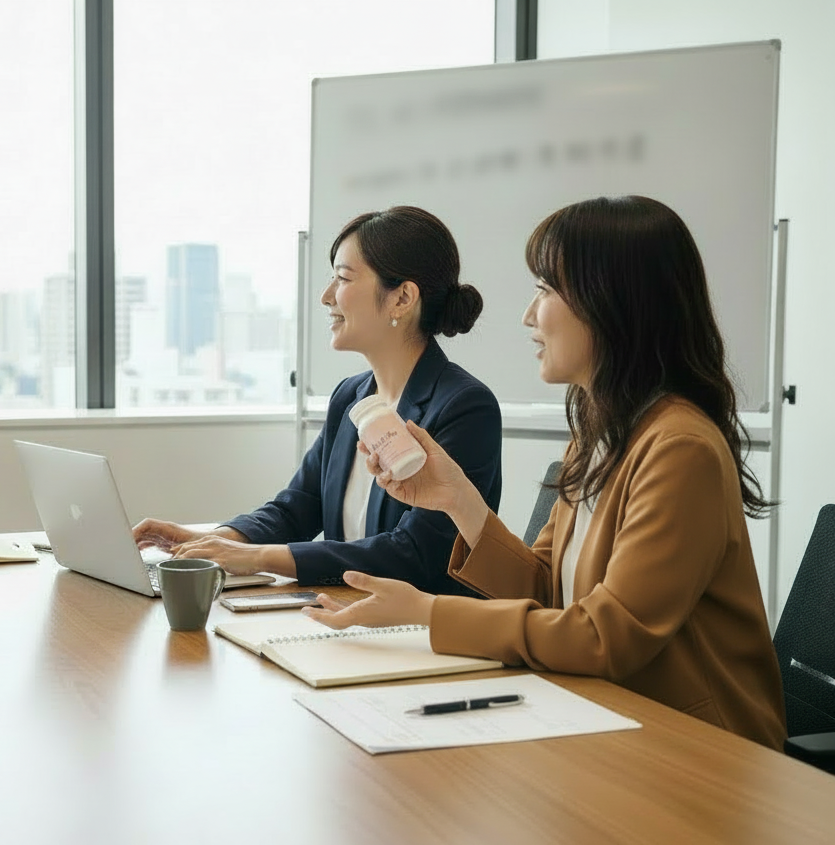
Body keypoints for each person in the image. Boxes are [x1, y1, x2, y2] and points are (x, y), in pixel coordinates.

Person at [306, 196, 786, 749]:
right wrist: (458, 499)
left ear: (612, 303)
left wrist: (429, 613)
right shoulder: (602, 433)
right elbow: (546, 588)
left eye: (545, 291)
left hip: (698, 744)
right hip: (606, 715)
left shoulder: (681, 448)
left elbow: (605, 637)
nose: (529, 316)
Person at [134, 206, 502, 593]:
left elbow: (416, 554)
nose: (326, 296)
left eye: (342, 278)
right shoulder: (350, 397)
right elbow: (297, 507)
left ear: (402, 298)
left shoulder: (465, 406)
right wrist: (214, 539)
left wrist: (258, 558)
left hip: (424, 637)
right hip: (346, 613)